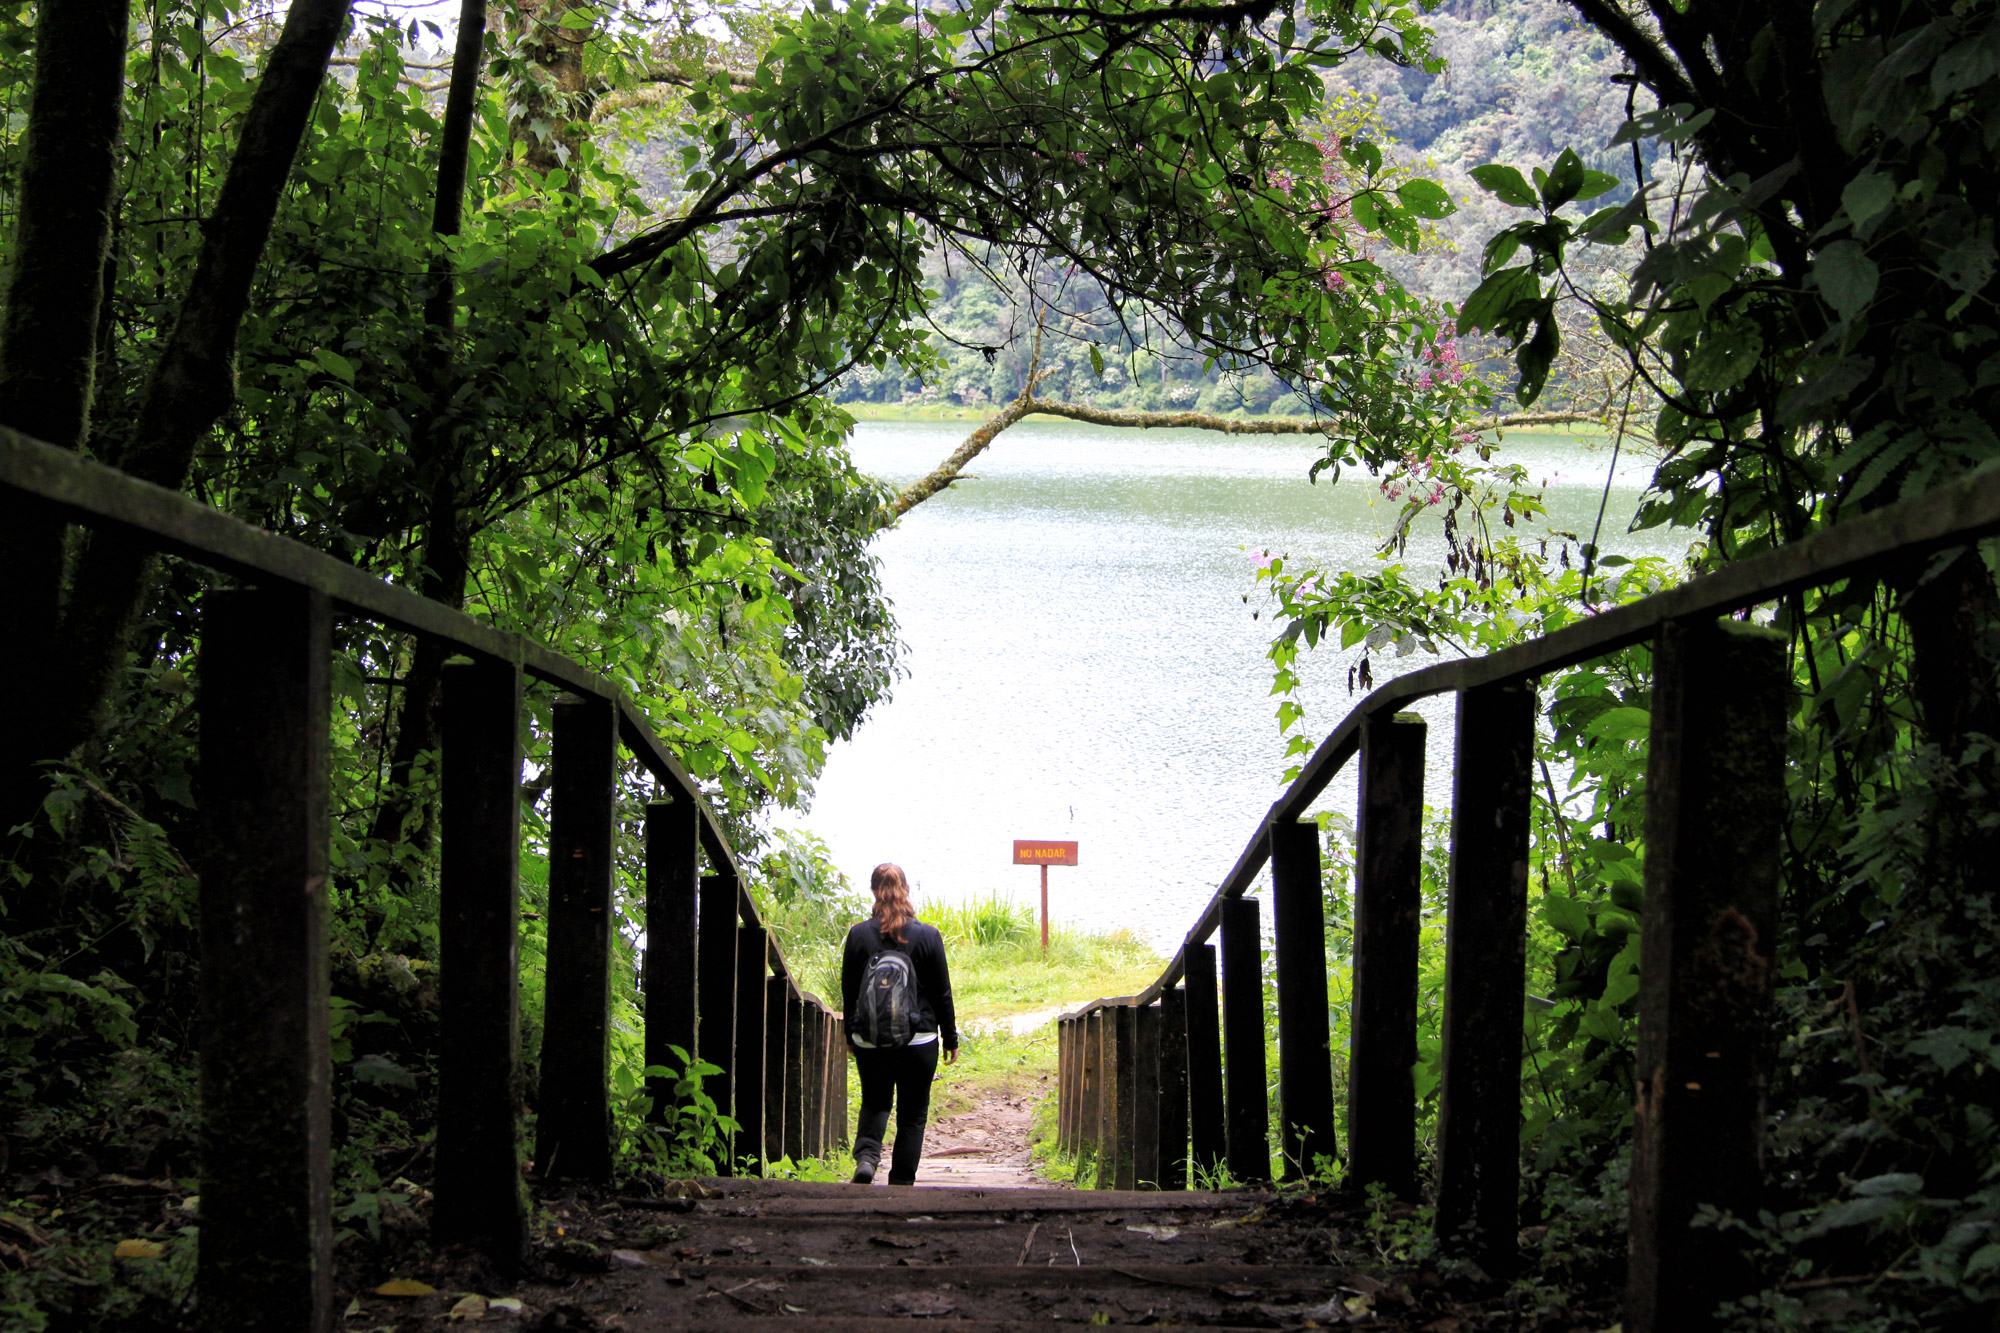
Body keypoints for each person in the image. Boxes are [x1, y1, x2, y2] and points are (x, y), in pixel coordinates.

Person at [841, 862, 958, 1186]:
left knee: (875, 1102)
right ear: (905, 890)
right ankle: (902, 1183)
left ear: (874, 892)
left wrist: (850, 1033)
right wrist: (950, 1037)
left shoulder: (858, 935)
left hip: (871, 1039)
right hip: (918, 1040)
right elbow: (941, 992)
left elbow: (849, 989)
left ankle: (866, 1158)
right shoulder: (928, 936)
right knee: (913, 1115)